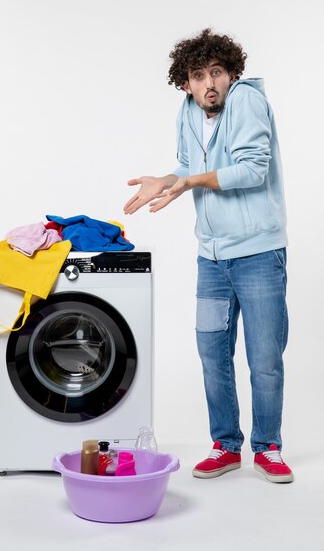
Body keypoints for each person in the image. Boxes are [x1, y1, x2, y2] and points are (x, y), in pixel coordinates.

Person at [124, 28, 293, 484]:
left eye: (216, 73)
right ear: (186, 83)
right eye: (198, 76)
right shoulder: (188, 111)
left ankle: (269, 447)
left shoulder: (247, 102)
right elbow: (188, 167)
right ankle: (225, 445)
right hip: (212, 258)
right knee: (212, 353)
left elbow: (253, 169)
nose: (208, 84)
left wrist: (191, 183)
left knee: (264, 357)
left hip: (258, 253)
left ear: (232, 74)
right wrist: (166, 179)